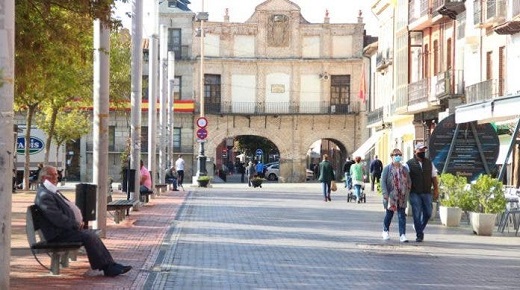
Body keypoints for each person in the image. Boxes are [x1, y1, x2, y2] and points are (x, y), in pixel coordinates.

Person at [34, 165, 132, 277]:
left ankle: (110, 265)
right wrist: (75, 224)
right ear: (44, 178)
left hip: (62, 230)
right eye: (53, 175)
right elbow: (57, 218)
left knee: (89, 234)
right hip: (57, 234)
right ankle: (108, 267)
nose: (57, 177)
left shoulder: (50, 192)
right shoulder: (44, 195)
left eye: (56, 174)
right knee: (88, 236)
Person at [406, 143, 439, 243]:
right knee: (416, 212)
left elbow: (434, 176)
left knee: (428, 213)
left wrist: (436, 189)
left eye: (424, 150)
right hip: (414, 192)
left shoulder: (429, 163)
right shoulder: (409, 164)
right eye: (420, 150)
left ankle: (418, 226)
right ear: (415, 151)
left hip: (426, 192)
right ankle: (419, 234)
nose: (423, 152)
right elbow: (405, 178)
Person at [381, 149, 411, 243]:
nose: (398, 156)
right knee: (389, 214)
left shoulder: (404, 169)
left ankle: (402, 234)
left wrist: (408, 190)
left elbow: (409, 181)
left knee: (401, 215)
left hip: (401, 196)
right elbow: (383, 182)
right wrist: (385, 193)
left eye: (399, 155)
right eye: (396, 155)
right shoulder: (387, 168)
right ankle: (385, 231)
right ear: (392, 156)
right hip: (391, 195)